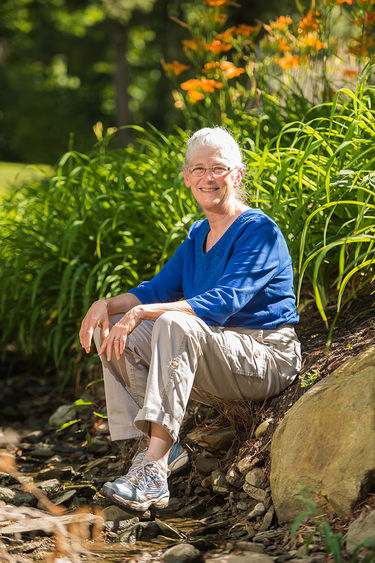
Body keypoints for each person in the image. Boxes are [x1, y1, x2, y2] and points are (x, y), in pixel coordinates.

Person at [79, 127, 301, 512]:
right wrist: (107, 304)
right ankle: (162, 446)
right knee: (116, 331)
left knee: (171, 322)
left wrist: (142, 313)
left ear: (238, 174)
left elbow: (223, 302)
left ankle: (153, 470)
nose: (208, 178)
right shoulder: (199, 233)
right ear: (186, 178)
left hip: (267, 356)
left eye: (218, 168)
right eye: (198, 169)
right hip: (217, 351)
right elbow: (156, 290)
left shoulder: (258, 231)